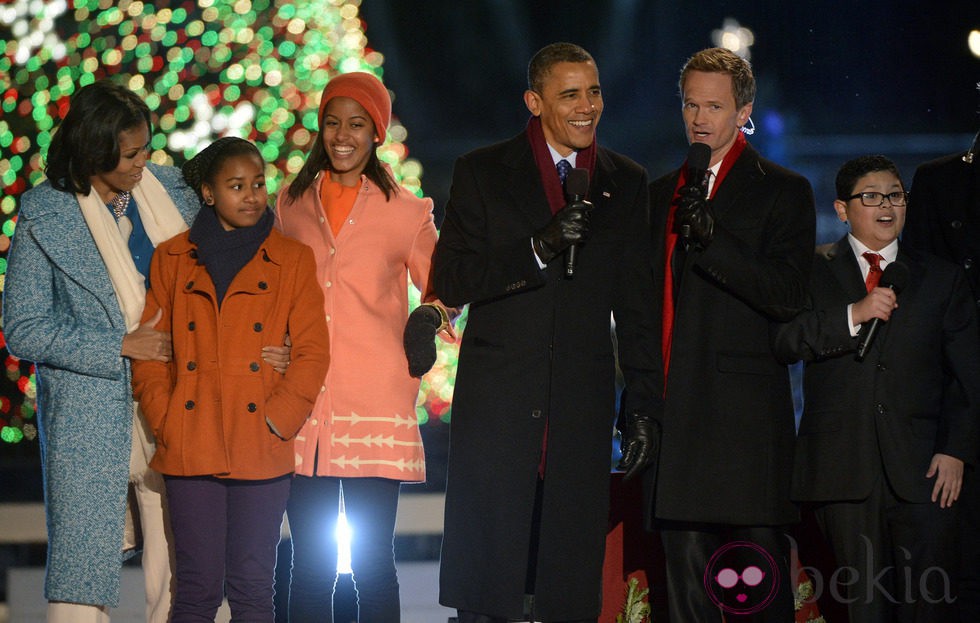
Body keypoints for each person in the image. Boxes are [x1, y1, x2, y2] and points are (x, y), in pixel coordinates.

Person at [433, 42, 661, 623]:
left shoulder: (625, 182)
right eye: (569, 95)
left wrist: (642, 407)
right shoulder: (482, 171)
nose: (587, 107)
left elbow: (638, 309)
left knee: (568, 587)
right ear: (535, 101)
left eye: (594, 91)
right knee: (490, 590)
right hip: (499, 409)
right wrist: (538, 248)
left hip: (579, 414)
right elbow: (452, 277)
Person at [3, 80, 197, 623]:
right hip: (89, 414)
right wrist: (118, 345)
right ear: (94, 150)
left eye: (146, 148)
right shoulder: (46, 212)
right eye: (131, 153)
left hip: (175, 400)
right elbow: (23, 328)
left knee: (184, 565)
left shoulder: (172, 189)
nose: (144, 162)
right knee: (81, 576)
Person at [640, 47, 816, 621]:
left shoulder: (781, 190)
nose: (699, 118)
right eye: (691, 104)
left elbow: (788, 295)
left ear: (744, 110)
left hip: (743, 433)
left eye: (713, 106)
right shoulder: (659, 192)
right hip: (675, 424)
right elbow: (641, 307)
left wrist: (713, 241)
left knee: (757, 602)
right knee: (685, 602)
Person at [274, 71, 455, 622]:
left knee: (374, 559)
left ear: (377, 132)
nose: (343, 135)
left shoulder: (405, 210)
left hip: (375, 400)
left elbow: (446, 284)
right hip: (304, 400)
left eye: (357, 124)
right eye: (332, 123)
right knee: (307, 562)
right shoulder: (288, 205)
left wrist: (431, 315)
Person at [131, 136, 330, 622]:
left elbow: (311, 353)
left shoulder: (292, 258)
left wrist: (278, 420)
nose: (251, 196)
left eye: (258, 184)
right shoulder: (172, 259)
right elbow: (151, 353)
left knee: (252, 588)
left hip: (261, 442)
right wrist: (166, 419)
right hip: (190, 442)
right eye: (236, 185)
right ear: (208, 192)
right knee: (195, 590)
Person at [773, 154, 980, 621]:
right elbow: (785, 341)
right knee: (861, 608)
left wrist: (956, 450)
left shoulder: (941, 278)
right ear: (843, 209)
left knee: (927, 606)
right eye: (871, 196)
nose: (886, 206)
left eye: (895, 195)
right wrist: (853, 316)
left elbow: (968, 377)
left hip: (925, 475)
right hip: (842, 473)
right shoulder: (811, 269)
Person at [904, 125, 980, 623]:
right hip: (955, 412)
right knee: (958, 570)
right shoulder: (940, 181)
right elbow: (922, 310)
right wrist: (953, 440)